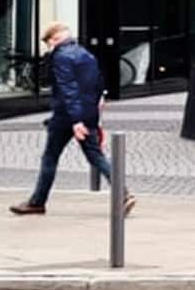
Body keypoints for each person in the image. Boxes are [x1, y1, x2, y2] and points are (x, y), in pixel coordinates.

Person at [10, 22, 134, 216]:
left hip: (66, 116)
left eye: (48, 43)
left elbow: (68, 89)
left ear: (53, 40)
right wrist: (94, 114)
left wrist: (76, 121)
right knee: (96, 156)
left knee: (50, 157)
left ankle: (37, 202)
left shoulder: (61, 57)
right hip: (88, 113)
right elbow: (98, 85)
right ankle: (123, 193)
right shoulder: (86, 55)